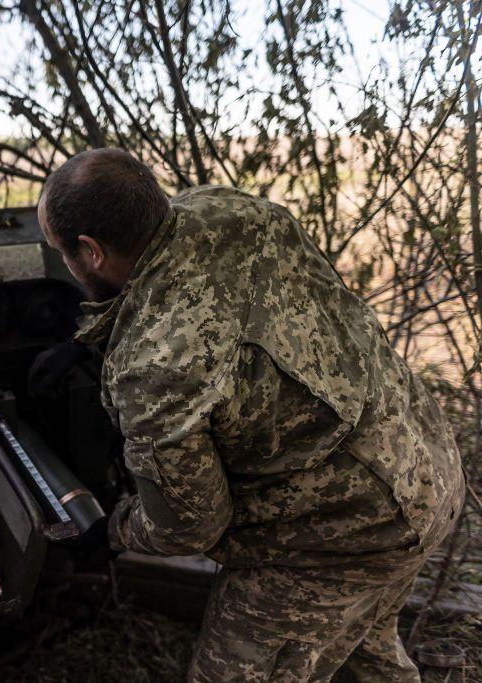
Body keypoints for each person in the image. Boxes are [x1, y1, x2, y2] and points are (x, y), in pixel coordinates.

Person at [33, 148, 464, 682]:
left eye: (64, 254)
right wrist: (93, 342)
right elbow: (206, 307)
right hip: (425, 462)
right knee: (363, 655)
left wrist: (113, 530)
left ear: (92, 251)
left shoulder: (154, 369)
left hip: (346, 529)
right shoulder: (230, 209)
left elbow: (189, 523)